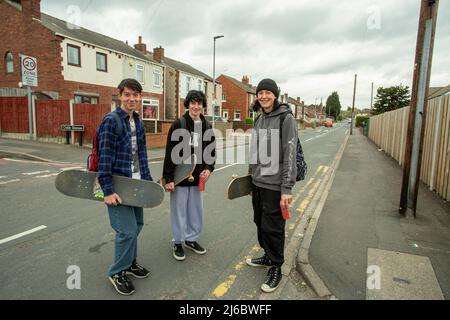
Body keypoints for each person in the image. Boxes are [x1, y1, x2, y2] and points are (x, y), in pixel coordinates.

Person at [98, 78, 152, 296]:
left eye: (135, 95)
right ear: (119, 95)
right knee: (126, 230)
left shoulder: (137, 120)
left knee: (137, 225)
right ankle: (117, 272)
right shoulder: (111, 121)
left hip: (136, 182)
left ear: (140, 97)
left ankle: (129, 263)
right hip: (118, 185)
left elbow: (142, 154)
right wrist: (107, 190)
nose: (131, 99)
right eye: (127, 94)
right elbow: (104, 157)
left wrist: (148, 181)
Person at [246, 78, 298, 293]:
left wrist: (287, 189)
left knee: (274, 228)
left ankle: (276, 266)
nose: (264, 96)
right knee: (259, 221)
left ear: (275, 95)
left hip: (275, 185)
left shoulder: (286, 119)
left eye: (268, 92)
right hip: (258, 183)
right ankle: (268, 255)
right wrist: (250, 176)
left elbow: (290, 154)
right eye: (260, 93)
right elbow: (255, 151)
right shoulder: (259, 119)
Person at [163, 90, 216, 261]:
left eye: (199, 103)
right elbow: (170, 152)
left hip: (198, 177)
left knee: (196, 211)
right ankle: (178, 242)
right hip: (180, 177)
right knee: (179, 211)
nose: (196, 106)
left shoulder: (207, 126)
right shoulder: (179, 124)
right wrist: (168, 179)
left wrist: (209, 168)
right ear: (188, 105)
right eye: (193, 103)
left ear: (202, 106)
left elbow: (211, 151)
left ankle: (191, 239)